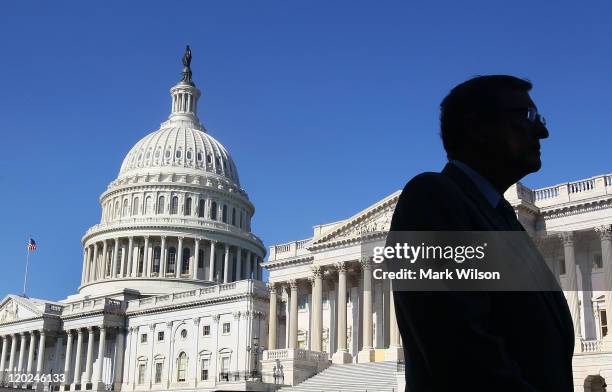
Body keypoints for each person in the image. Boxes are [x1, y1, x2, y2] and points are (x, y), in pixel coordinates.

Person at [388, 75, 574, 391]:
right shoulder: (431, 199)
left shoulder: (504, 219)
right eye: (527, 117)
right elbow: (464, 356)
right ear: (476, 127)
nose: (542, 131)